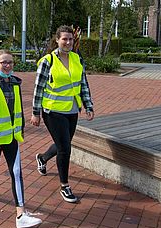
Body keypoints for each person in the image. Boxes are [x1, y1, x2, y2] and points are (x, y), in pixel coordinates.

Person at [0, 50, 42, 228]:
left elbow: (16, 110)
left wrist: (20, 130)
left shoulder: (15, 84)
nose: (8, 65)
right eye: (3, 62)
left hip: (10, 136)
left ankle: (20, 214)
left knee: (16, 172)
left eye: (10, 62)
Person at [30, 25, 95, 203]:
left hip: (72, 110)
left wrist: (88, 106)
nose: (67, 42)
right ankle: (64, 186)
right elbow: (38, 88)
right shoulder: (47, 61)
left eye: (70, 39)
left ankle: (42, 158)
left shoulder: (77, 59)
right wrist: (35, 112)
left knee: (62, 145)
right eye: (64, 39)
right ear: (57, 40)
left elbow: (83, 84)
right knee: (65, 148)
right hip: (52, 111)